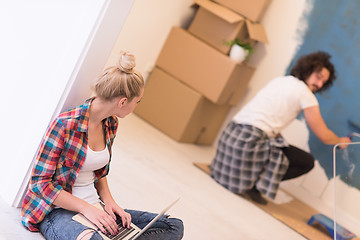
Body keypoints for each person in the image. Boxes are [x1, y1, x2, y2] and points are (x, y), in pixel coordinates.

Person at [21, 51, 184, 240]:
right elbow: (40, 184)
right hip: (58, 212)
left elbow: (98, 172)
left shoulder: (111, 123)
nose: (136, 106)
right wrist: (86, 209)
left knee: (173, 226)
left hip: (97, 208)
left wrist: (109, 202)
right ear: (123, 102)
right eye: (137, 102)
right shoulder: (65, 124)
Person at [210, 51, 351, 205]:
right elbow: (324, 135)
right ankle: (253, 186)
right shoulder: (305, 94)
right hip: (247, 144)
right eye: (319, 77)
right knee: (306, 162)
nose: (319, 85)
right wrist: (340, 141)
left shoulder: (280, 81)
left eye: (324, 82)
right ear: (309, 69)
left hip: (230, 138)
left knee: (279, 143)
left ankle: (248, 181)